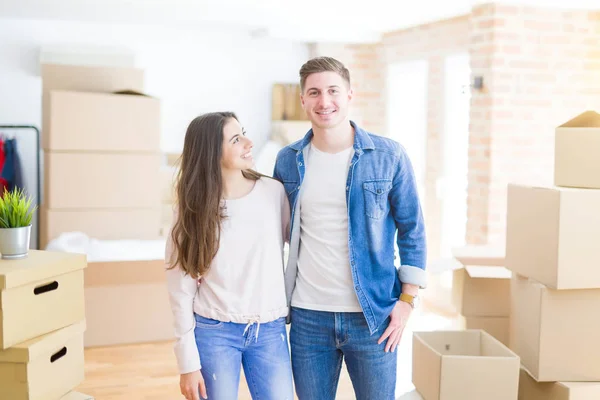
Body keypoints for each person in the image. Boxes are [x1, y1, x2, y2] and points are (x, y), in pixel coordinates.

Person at [273, 57, 427, 400]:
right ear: (302, 100)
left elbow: (413, 229)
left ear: (350, 95)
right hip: (308, 317)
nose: (323, 101)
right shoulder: (287, 160)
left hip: (373, 317)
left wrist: (407, 301)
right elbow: (274, 233)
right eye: (313, 92)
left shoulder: (389, 156)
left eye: (332, 91)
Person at [166, 112, 294, 400]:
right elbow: (180, 290)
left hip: (270, 331)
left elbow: (300, 250)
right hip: (215, 332)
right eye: (236, 139)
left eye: (244, 133)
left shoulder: (273, 193)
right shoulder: (191, 211)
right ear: (212, 152)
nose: (249, 142)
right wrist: (187, 364)